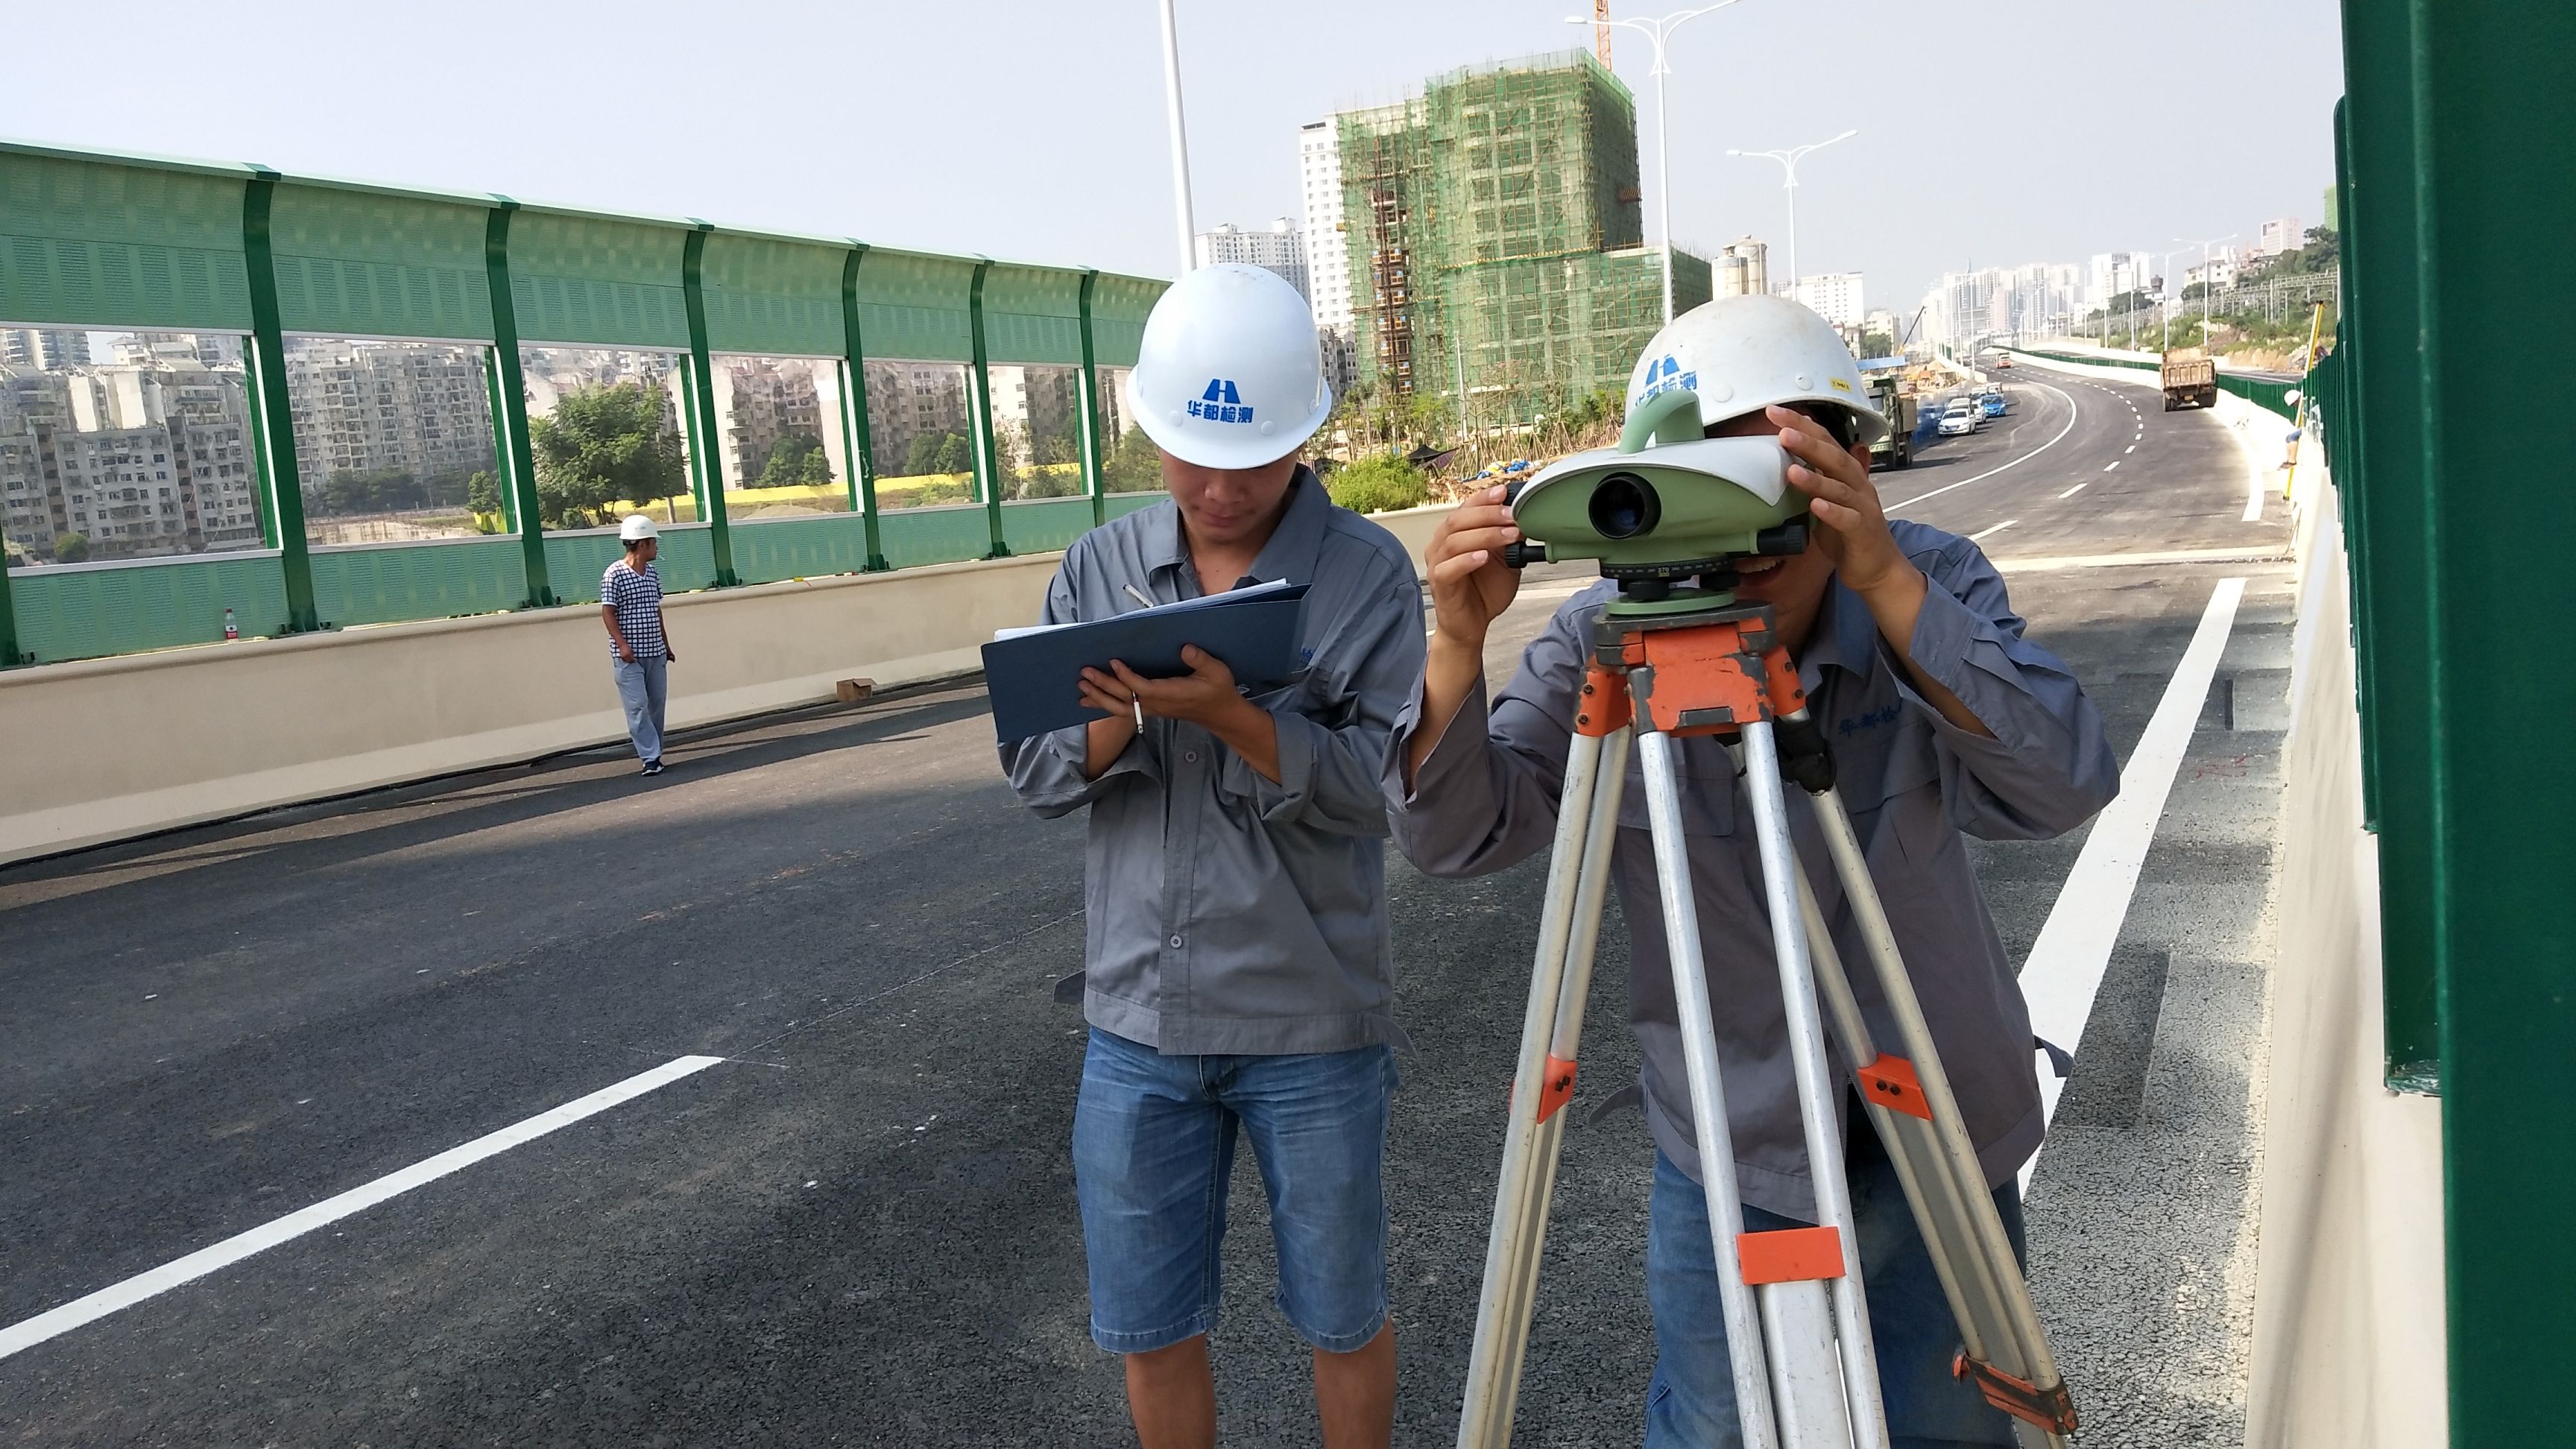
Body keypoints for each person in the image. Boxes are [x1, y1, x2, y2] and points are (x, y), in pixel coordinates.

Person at [1385, 294, 2119, 1448]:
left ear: (1846, 468)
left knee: (1947, 1426)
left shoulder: (1923, 583)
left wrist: (1889, 587)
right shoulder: (1602, 640)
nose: (1736, 545)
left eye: (1765, 492)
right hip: (1734, 1134)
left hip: (1936, 1108)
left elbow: (2062, 782)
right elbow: (1455, 836)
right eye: (1700, 490)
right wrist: (1456, 646)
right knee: (1718, 1427)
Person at [999, 264, 1426, 1449]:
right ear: (1153, 429)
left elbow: (1388, 790)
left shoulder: (1366, 575)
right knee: (1149, 1327)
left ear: (1303, 437)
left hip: (1311, 1020)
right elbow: (1038, 775)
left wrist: (1235, 717)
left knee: (1342, 1315)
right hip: (1139, 1026)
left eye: (1254, 461)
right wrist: (1121, 713)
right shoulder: (1099, 568)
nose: (1220, 488)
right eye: (1193, 457)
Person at [602, 514, 675, 777]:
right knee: (637, 705)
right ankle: (650, 757)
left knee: (656, 704)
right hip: (629, 656)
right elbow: (608, 612)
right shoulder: (614, 574)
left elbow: (656, 610)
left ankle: (655, 753)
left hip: (655, 651)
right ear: (643, 544)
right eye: (654, 542)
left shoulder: (652, 574)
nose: (656, 547)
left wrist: (666, 645)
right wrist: (622, 645)